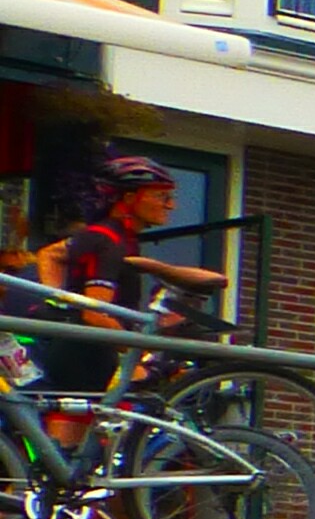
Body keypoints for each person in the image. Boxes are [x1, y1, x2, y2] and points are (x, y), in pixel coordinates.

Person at [24, 155, 224, 436]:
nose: (171, 205)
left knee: (82, 456)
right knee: (78, 455)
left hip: (85, 347)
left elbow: (50, 254)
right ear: (130, 198)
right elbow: (95, 312)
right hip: (86, 355)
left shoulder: (111, 236)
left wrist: (59, 298)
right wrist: (135, 353)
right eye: (162, 197)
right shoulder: (110, 241)